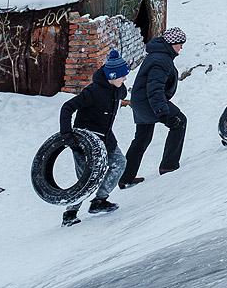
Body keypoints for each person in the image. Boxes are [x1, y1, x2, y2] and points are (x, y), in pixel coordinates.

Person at [58, 50, 130, 227]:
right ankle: (70, 213)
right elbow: (67, 108)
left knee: (119, 163)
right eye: (122, 76)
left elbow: (122, 94)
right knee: (86, 179)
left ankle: (99, 201)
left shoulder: (117, 89)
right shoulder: (92, 92)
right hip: (85, 142)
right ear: (112, 76)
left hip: (106, 138)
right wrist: (67, 135)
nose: (125, 79)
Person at [119, 27, 187, 188]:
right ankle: (169, 166)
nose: (181, 48)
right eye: (180, 44)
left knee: (142, 139)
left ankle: (125, 178)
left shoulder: (158, 55)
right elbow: (154, 88)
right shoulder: (161, 60)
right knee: (179, 122)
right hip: (150, 102)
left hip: (142, 102)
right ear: (172, 43)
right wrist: (161, 111)